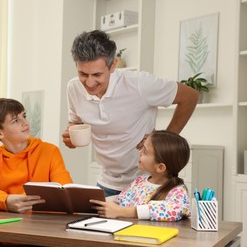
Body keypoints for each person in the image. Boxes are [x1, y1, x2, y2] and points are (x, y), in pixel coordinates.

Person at [62, 30, 198, 197]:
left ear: (113, 65)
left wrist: (163, 140)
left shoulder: (139, 84)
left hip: (148, 181)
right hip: (107, 182)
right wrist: (71, 136)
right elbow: (75, 122)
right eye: (83, 74)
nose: (89, 83)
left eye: (97, 75)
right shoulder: (73, 88)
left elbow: (190, 97)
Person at [0, 98, 73, 213]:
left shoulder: (50, 151)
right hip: (7, 224)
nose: (25, 122)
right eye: (15, 120)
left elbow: (67, 194)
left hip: (43, 225)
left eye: (24, 116)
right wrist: (5, 200)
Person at [90, 130, 190, 221]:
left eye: (145, 151)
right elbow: (122, 201)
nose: (139, 152)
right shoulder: (139, 182)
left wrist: (123, 212)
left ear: (160, 167)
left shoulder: (177, 191)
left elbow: (175, 210)